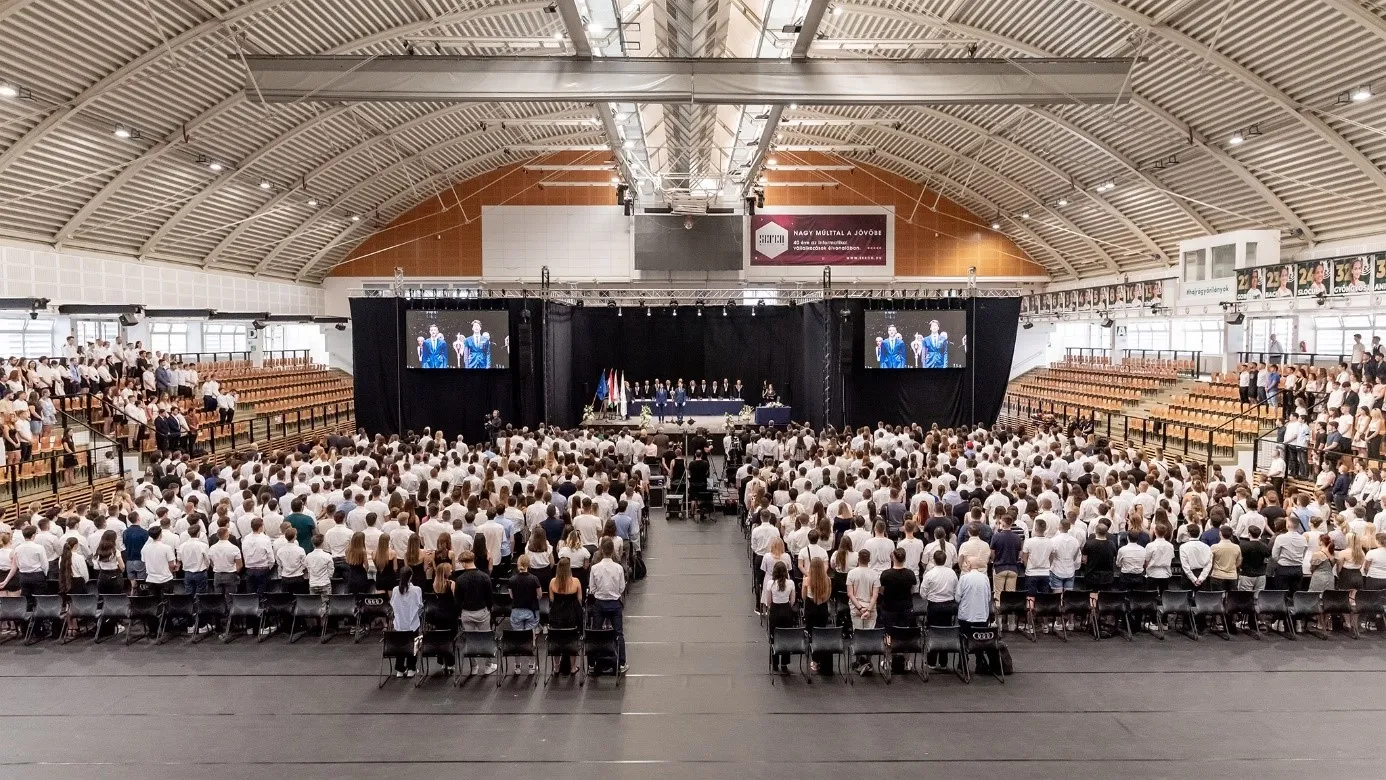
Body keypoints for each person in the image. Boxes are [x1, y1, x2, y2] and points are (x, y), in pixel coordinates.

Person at [589, 538, 627, 673]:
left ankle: (592, 663)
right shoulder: (619, 568)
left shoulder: (594, 568)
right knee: (618, 633)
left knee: (596, 633)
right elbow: (622, 587)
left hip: (599, 604)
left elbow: (592, 588)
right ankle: (622, 663)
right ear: (612, 551)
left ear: (601, 550)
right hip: (614, 604)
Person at [455, 550, 495, 673]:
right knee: (485, 638)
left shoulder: (460, 579)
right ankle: (488, 666)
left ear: (462, 563)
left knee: (470, 639)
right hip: (482, 612)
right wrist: (489, 609)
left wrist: (459, 613)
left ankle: (474, 667)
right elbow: (490, 596)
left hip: (466, 613)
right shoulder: (484, 577)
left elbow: (458, 599)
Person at [547, 557, 584, 675]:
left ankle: (556, 667)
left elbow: (552, 599)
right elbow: (580, 599)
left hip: (557, 616)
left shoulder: (553, 582)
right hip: (572, 616)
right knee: (572, 639)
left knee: (556, 640)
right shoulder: (576, 581)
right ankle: (573, 668)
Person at [846, 549, 880, 675]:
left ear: (858, 559)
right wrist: (868, 609)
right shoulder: (874, 574)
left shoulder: (851, 574)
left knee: (858, 635)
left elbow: (850, 594)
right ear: (869, 559)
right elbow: (875, 595)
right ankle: (869, 663)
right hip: (870, 609)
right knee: (869, 636)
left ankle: (859, 662)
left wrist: (860, 608)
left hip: (856, 609)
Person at [388, 567, 423, 678]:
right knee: (414, 645)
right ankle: (411, 668)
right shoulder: (417, 589)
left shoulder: (394, 590)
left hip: (399, 623)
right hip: (413, 624)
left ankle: (399, 669)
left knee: (400, 645)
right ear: (411, 576)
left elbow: (392, 604)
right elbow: (420, 605)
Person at [765, 561, 797, 673]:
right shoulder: (791, 583)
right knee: (786, 637)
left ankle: (775, 662)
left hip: (775, 611)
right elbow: (792, 601)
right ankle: (784, 663)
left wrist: (771, 608)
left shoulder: (770, 584)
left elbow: (768, 601)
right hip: (786, 611)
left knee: (774, 637)